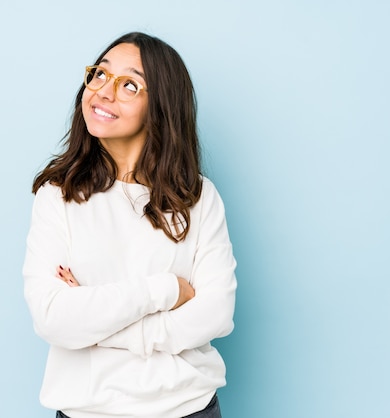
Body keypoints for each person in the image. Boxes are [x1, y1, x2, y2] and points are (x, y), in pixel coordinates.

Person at [22, 31, 237, 418]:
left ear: (161, 107)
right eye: (99, 75)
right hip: (88, 412)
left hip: (188, 408)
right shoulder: (58, 195)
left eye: (130, 85)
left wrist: (99, 327)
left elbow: (216, 314)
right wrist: (167, 290)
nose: (103, 92)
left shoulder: (198, 197)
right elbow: (53, 319)